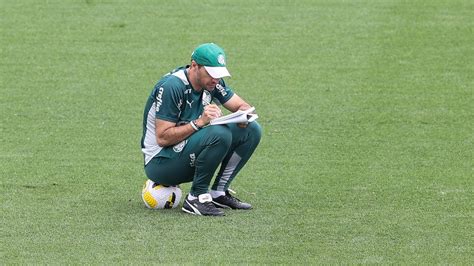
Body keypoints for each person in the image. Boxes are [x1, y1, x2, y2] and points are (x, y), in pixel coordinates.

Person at [140, 43, 262, 216]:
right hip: (160, 163)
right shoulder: (171, 86)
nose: (216, 80)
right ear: (194, 66)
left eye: (219, 75)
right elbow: (163, 138)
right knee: (219, 134)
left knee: (252, 129)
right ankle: (196, 198)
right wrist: (200, 122)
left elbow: (241, 105)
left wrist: (244, 113)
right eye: (211, 74)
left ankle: (218, 193)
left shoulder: (213, 83)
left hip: (184, 151)